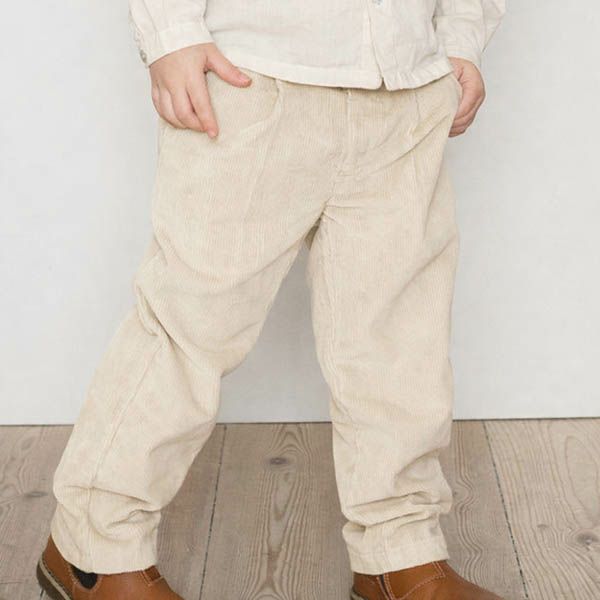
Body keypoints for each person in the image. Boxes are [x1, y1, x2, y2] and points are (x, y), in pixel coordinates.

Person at [36, 1, 506, 598]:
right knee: (191, 327)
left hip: (406, 88)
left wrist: (461, 34)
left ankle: (399, 550)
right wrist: (170, 31)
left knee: (399, 343)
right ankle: (93, 544)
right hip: (253, 76)